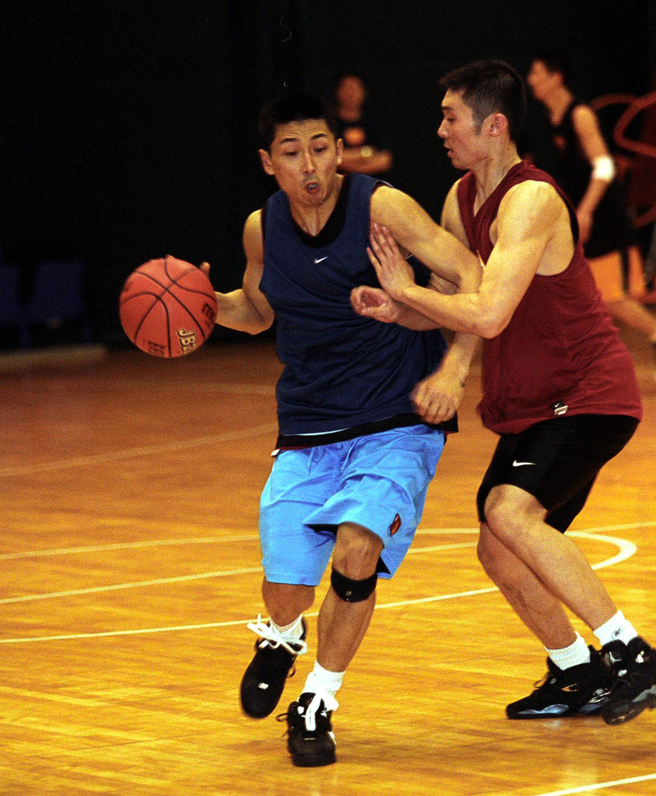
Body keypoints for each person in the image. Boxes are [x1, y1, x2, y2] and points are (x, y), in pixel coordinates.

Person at [352, 59, 656, 727]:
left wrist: (406, 289)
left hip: (588, 394)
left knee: (507, 509)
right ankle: (575, 672)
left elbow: (489, 316)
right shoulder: (460, 197)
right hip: (534, 404)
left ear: (493, 125)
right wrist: (399, 308)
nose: (440, 129)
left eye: (451, 117)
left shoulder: (531, 199)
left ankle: (634, 656)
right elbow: (453, 302)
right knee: (497, 545)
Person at [206, 92, 480, 767]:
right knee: (288, 590)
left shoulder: (381, 206)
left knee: (358, 550)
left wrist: (453, 370)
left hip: (395, 419)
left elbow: (470, 274)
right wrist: (205, 307)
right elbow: (259, 310)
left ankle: (319, 700)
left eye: (321, 148)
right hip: (307, 424)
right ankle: (281, 634)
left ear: (337, 148)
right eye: (293, 153)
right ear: (269, 162)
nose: (311, 166)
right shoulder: (260, 228)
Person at [526, 50, 656, 385]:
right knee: (575, 296)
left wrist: (585, 210)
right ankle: (583, 365)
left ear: (556, 77)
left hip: (602, 221)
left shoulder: (580, 114)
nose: (532, 79)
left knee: (611, 297)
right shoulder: (546, 122)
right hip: (574, 223)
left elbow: (605, 166)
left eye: (537, 72)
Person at [333, 72, 394, 176]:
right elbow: (331, 159)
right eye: (347, 88)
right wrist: (366, 152)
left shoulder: (373, 123)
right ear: (337, 92)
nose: (350, 94)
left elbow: (385, 160)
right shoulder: (330, 124)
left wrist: (355, 172)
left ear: (363, 92)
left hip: (371, 186)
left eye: (354, 88)